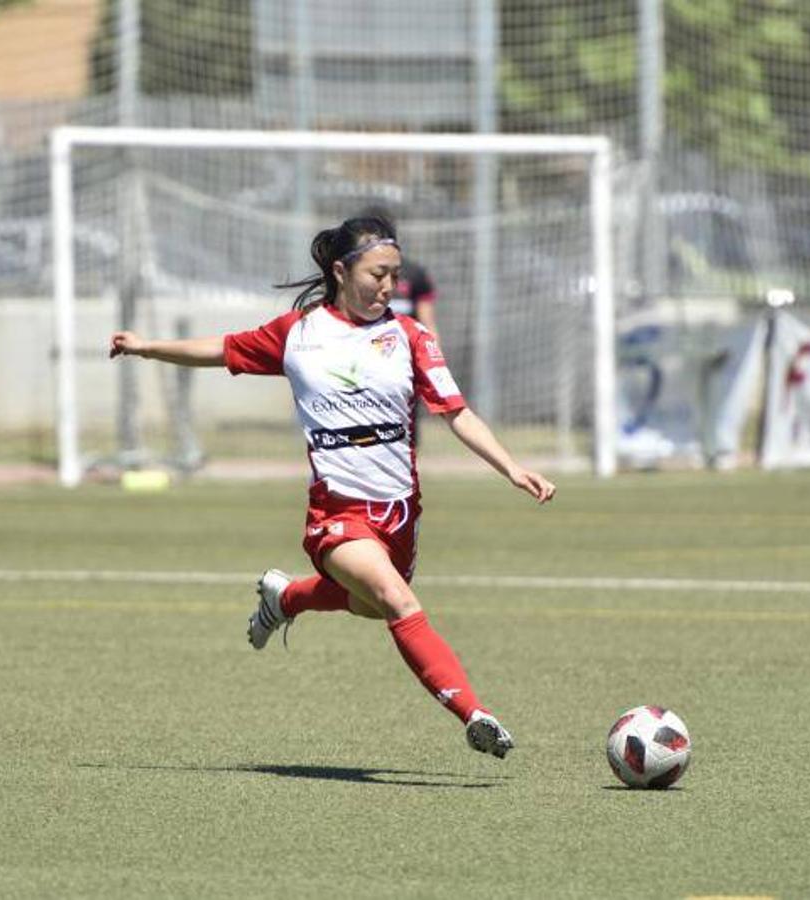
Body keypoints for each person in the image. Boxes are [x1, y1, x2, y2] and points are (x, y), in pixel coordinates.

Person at [109, 214, 555, 758]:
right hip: (336, 514)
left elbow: (456, 412)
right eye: (377, 275)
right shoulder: (298, 334)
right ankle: (473, 713)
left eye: (395, 276)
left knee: (370, 605)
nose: (389, 288)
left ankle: (287, 595)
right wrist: (147, 346)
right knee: (395, 598)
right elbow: (222, 349)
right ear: (342, 271)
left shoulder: (410, 336)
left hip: (399, 512)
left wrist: (510, 466)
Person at [358, 205, 439, 336]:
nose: (387, 286)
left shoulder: (415, 273)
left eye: (394, 276)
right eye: (377, 275)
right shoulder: (350, 272)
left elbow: (428, 324)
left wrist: (434, 353)